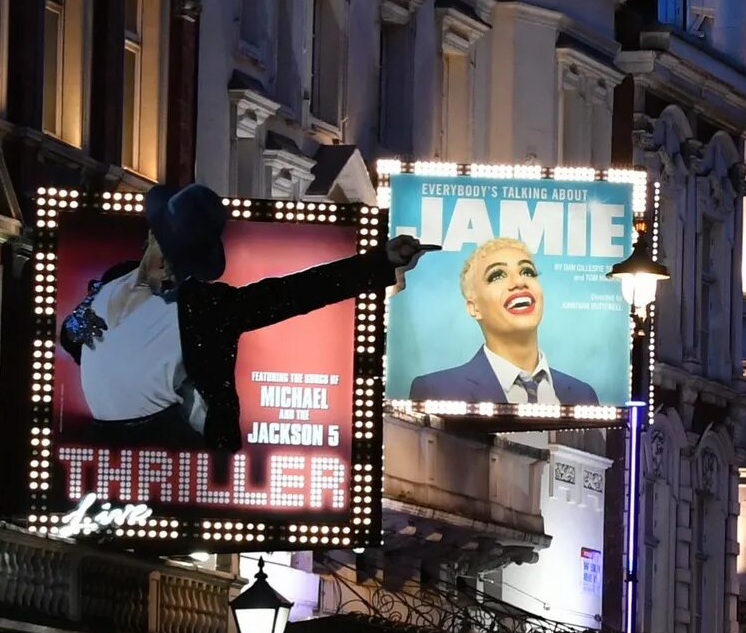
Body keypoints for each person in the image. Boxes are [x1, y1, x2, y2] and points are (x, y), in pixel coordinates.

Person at [63, 184, 431, 448]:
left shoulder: (204, 306)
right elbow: (81, 340)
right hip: (97, 441)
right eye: (171, 255)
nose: (175, 270)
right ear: (152, 236)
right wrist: (79, 329)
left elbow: (292, 294)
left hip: (160, 440)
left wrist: (379, 263)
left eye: (186, 262)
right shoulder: (114, 278)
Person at [405, 237, 601, 407]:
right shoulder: (436, 390)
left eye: (527, 272)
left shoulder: (583, 395)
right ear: (474, 308)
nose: (519, 282)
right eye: (497, 275)